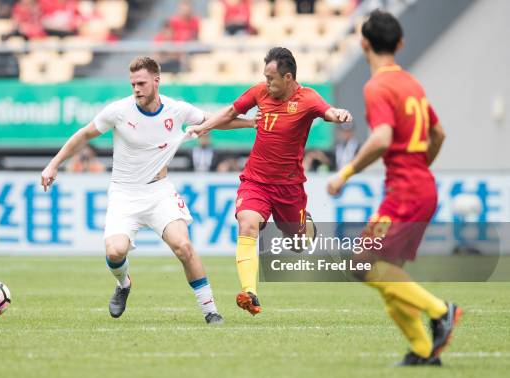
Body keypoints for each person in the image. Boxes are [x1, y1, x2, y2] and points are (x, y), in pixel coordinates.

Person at [41, 56, 254, 324]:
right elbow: (84, 135)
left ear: (156, 81)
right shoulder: (118, 111)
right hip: (124, 194)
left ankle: (210, 310)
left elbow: (214, 121)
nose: (136, 89)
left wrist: (252, 123)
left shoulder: (176, 110)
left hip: (159, 192)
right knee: (115, 252)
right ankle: (123, 284)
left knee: (184, 247)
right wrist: (53, 165)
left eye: (141, 83)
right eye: (132, 84)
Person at [327, 10, 460, 366]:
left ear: (363, 43)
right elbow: (439, 133)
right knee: (387, 272)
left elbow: (382, 137)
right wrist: (419, 166)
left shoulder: (377, 87)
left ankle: (439, 311)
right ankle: (422, 350)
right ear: (400, 43)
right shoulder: (411, 83)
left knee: (361, 263)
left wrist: (346, 173)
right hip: (420, 185)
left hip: (405, 191)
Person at [187, 47, 353, 315]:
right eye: (264, 77)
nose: (267, 83)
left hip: (289, 187)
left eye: (271, 78)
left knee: (299, 244)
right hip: (256, 180)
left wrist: (339, 114)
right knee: (247, 223)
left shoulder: (307, 98)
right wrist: (203, 127)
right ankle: (250, 292)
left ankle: (305, 226)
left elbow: (328, 112)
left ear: (288, 78)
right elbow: (230, 111)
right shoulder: (259, 92)